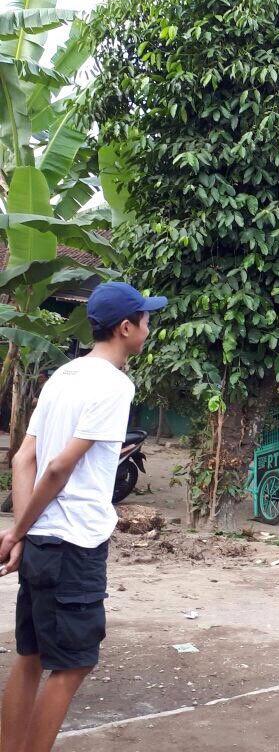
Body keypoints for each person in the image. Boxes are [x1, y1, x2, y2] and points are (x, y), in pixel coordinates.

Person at [0, 281, 166, 752]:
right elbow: (57, 467)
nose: (148, 329)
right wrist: (19, 530)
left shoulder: (64, 376)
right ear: (125, 327)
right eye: (145, 320)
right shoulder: (114, 384)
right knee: (73, 663)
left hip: (45, 542)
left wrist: (22, 534)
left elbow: (21, 460)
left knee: (30, 655)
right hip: (73, 544)